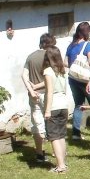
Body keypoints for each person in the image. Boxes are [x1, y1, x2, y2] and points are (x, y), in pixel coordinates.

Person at [21, 32, 55, 163]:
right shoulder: (49, 56)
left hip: (33, 96)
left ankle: (39, 153)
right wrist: (37, 87)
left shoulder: (31, 56)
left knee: (37, 124)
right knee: (51, 122)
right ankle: (55, 150)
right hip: (47, 93)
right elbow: (51, 78)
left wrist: (31, 89)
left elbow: (23, 75)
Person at [65, 22, 90, 141]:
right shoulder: (88, 45)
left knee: (78, 105)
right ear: (86, 32)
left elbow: (66, 63)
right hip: (86, 80)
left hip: (73, 79)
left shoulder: (71, 46)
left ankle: (75, 133)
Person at [42, 45, 70, 174]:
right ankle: (63, 162)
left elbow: (49, 92)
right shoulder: (62, 70)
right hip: (63, 105)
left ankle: (60, 166)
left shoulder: (48, 71)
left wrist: (47, 110)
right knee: (61, 135)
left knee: (54, 137)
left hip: (53, 106)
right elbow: (64, 89)